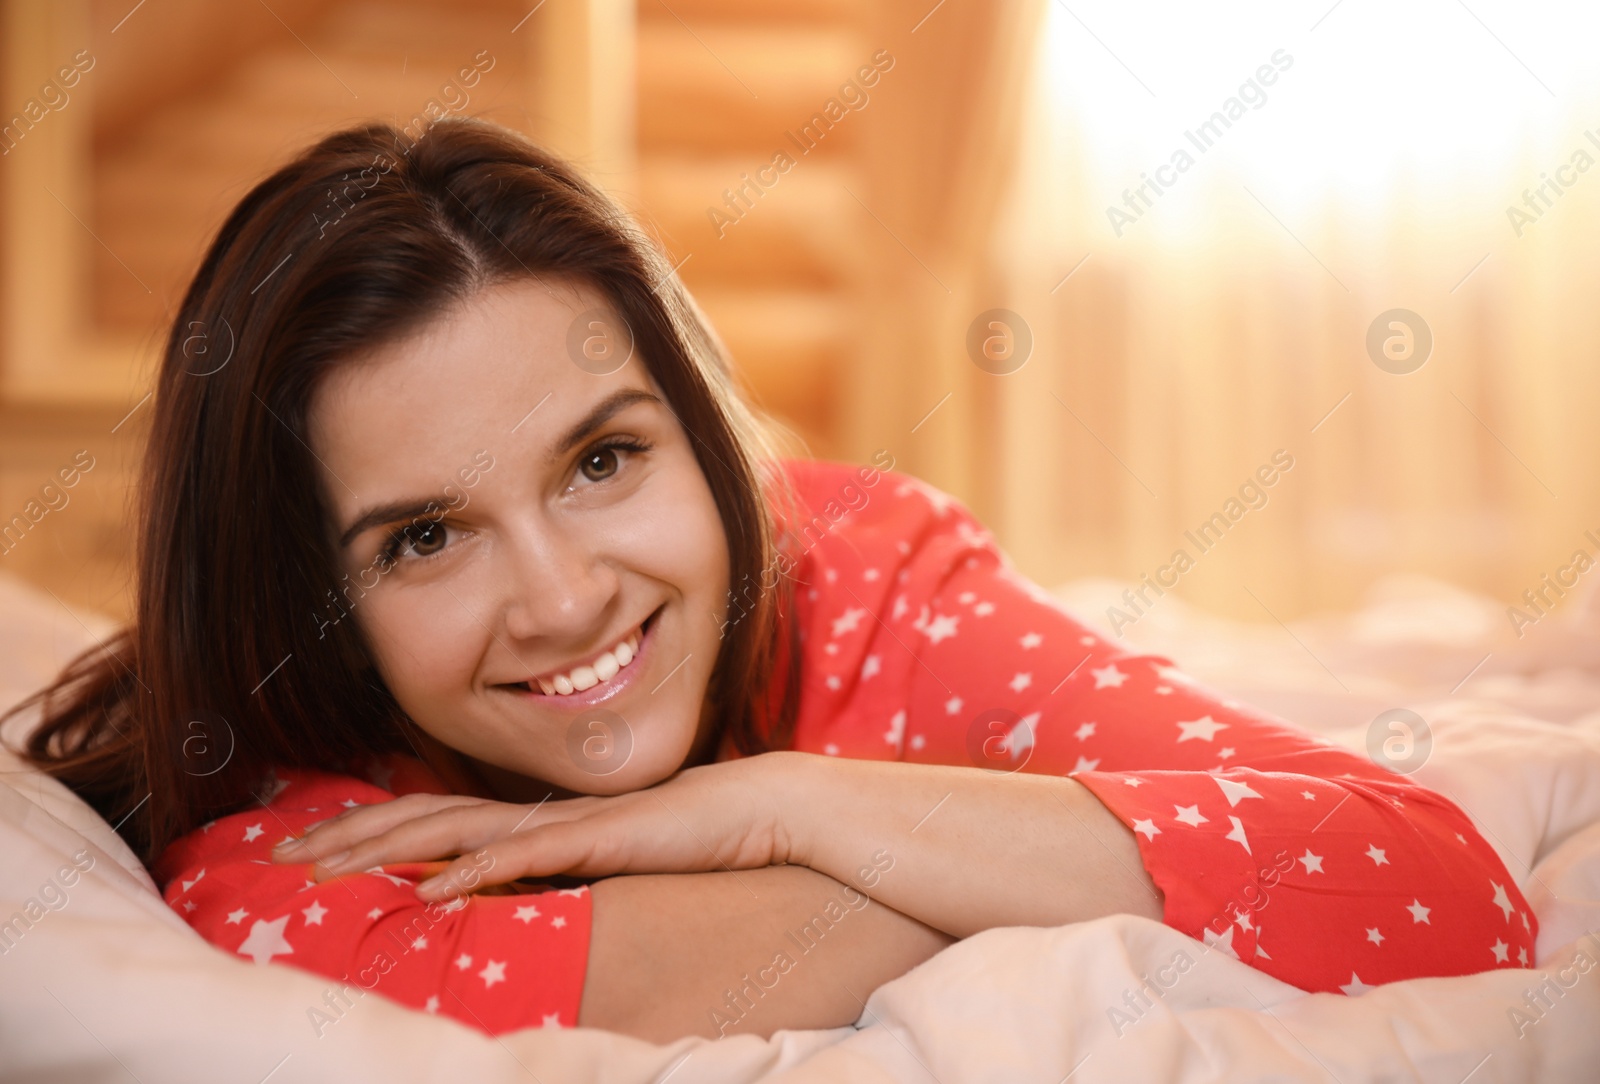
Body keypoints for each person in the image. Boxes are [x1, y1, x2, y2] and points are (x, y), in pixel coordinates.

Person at [6, 117, 1536, 1045]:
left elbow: (1435, 889)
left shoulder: (873, 579)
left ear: (706, 435)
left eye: (604, 460)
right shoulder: (290, 855)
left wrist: (782, 801)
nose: (559, 599)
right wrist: (987, 866)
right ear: (300, 594)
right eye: (424, 538)